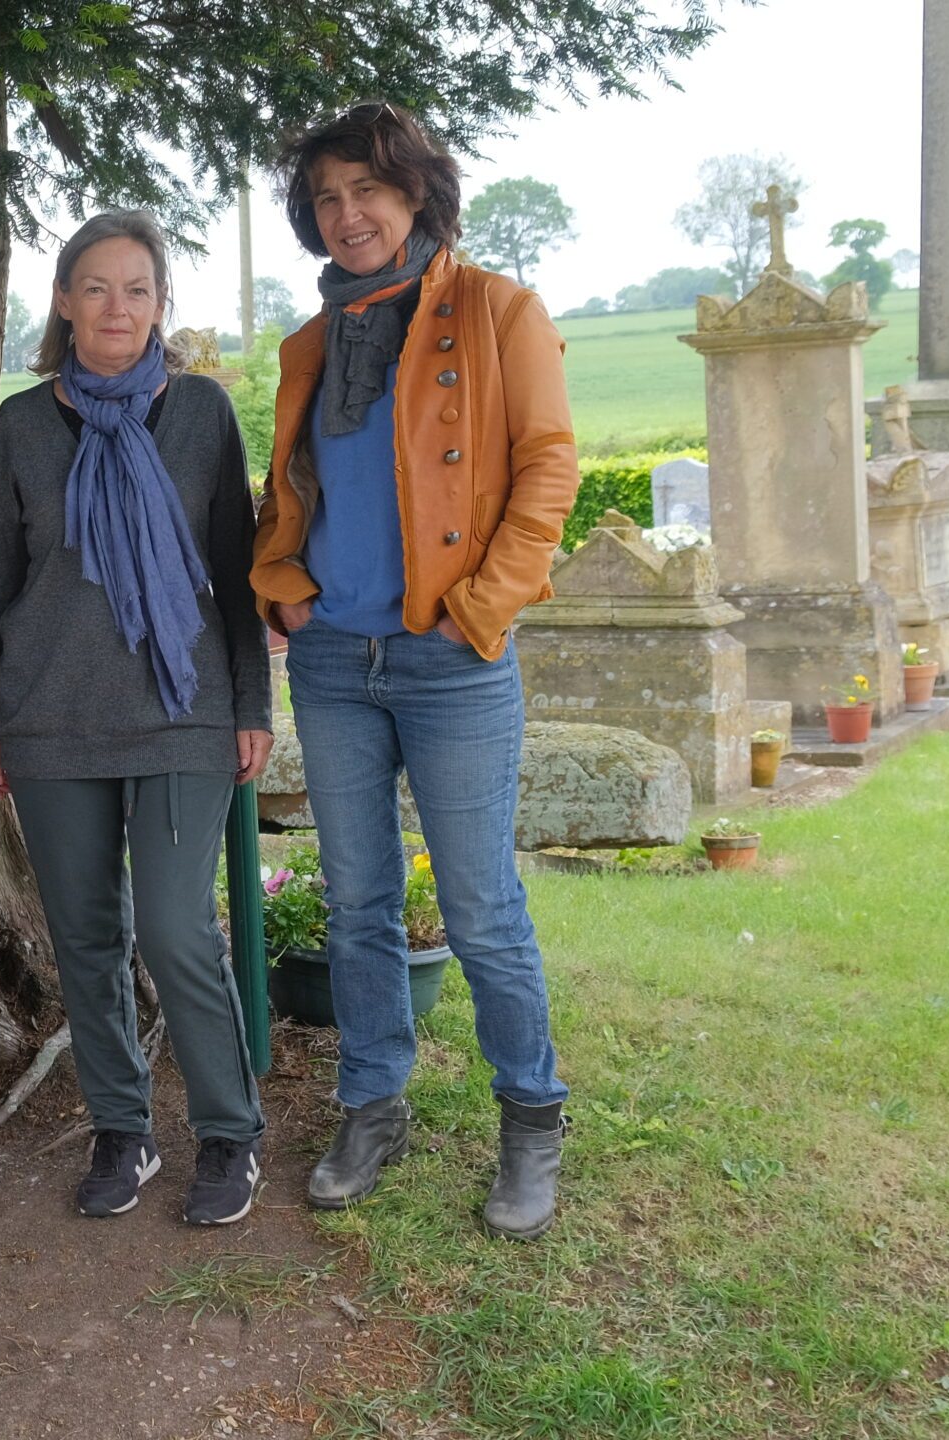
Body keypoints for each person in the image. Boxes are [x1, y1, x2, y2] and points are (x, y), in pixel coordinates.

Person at [252, 101, 579, 1240]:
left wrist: (481, 610)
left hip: (453, 662)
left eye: (367, 192)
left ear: (416, 196)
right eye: (327, 198)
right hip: (337, 662)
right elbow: (291, 486)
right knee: (356, 906)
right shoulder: (307, 342)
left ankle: (530, 1117)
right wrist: (278, 575)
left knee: (483, 909)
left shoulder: (497, 312)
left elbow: (546, 469)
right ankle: (371, 1106)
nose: (347, 215)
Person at [0, 211, 275, 1228]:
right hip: (50, 719)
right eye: (94, 288)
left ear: (159, 306)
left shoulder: (198, 414)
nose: (116, 308)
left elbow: (234, 568)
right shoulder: (19, 425)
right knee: (85, 936)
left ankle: (228, 1134)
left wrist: (249, 702)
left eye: (136, 289)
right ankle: (121, 1128)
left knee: (177, 928)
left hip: (182, 710)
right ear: (62, 301)